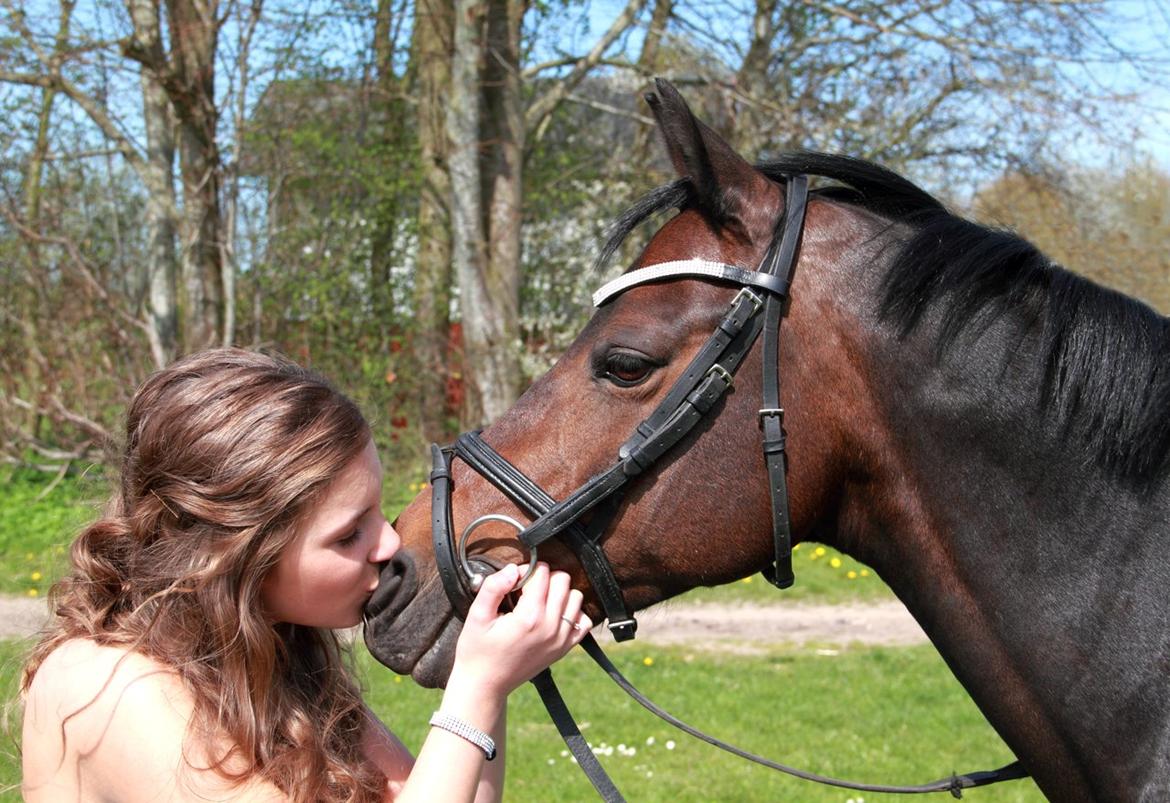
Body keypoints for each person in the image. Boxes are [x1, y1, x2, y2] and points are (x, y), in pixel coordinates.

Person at [20, 347, 591, 802]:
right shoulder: (108, 686)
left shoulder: (281, 655)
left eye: (377, 510)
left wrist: (487, 676)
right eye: (348, 534)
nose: (389, 542)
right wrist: (477, 687)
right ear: (231, 557)